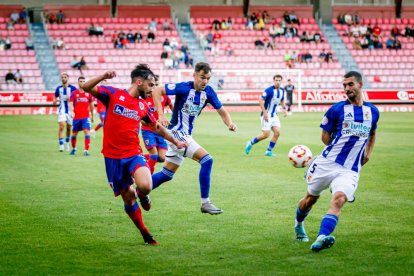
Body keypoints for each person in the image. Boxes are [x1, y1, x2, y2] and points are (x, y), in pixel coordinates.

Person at [81, 65, 187, 245]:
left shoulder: (143, 105)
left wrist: (175, 141)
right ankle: (145, 233)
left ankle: (143, 193)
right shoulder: (114, 95)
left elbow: (156, 127)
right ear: (139, 82)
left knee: (145, 186)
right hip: (112, 158)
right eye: (150, 85)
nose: (153, 89)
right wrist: (103, 75)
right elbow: (86, 87)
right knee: (128, 198)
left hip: (133, 153)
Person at [293, 71, 379, 252]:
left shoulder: (372, 112)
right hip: (326, 163)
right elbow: (325, 137)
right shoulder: (337, 109)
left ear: (360, 84)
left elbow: (372, 133)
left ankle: (321, 237)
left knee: (338, 199)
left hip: (350, 169)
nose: (347, 89)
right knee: (310, 199)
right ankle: (298, 224)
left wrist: (368, 154)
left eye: (350, 84)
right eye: (344, 85)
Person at [151, 62, 237, 215]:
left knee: (166, 175)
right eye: (202, 77)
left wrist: (229, 123)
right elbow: (157, 90)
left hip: (186, 135)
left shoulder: (209, 92)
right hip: (176, 133)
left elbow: (222, 111)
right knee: (207, 160)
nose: (204, 81)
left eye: (208, 78)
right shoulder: (184, 87)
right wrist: (161, 114)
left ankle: (137, 191)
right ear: (195, 75)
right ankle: (205, 203)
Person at [245, 74, 288, 157]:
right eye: (276, 80)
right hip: (266, 115)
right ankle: (250, 143)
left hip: (274, 115)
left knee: (277, 133)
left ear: (281, 81)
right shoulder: (269, 90)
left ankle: (268, 151)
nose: (278, 82)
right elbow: (260, 100)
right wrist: (264, 113)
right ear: (273, 81)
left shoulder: (282, 90)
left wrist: (284, 109)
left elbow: (282, 100)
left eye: (279, 80)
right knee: (266, 135)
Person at [141, 75, 174, 173]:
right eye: (152, 85)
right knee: (154, 155)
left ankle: (138, 158)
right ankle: (149, 178)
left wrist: (176, 118)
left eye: (157, 85)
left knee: (162, 157)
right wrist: (150, 123)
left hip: (160, 130)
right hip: (148, 131)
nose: (154, 88)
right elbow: (140, 119)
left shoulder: (163, 96)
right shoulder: (144, 99)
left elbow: (171, 105)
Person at [69, 76, 94, 156]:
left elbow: (91, 105)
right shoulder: (74, 93)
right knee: (74, 134)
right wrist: (71, 112)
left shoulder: (89, 94)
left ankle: (86, 150)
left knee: (87, 132)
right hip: (76, 117)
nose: (82, 83)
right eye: (80, 81)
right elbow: (70, 104)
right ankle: (73, 149)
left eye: (83, 81)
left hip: (86, 117)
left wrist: (92, 115)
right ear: (78, 82)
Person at [53, 72, 77, 152]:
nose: (63, 78)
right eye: (62, 77)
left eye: (65, 77)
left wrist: (70, 97)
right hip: (62, 110)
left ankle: (67, 142)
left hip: (70, 110)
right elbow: (55, 96)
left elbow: (77, 96)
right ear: (61, 79)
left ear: (68, 78)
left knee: (69, 128)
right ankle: (61, 144)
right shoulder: (58, 88)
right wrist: (54, 100)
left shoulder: (73, 88)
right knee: (62, 125)